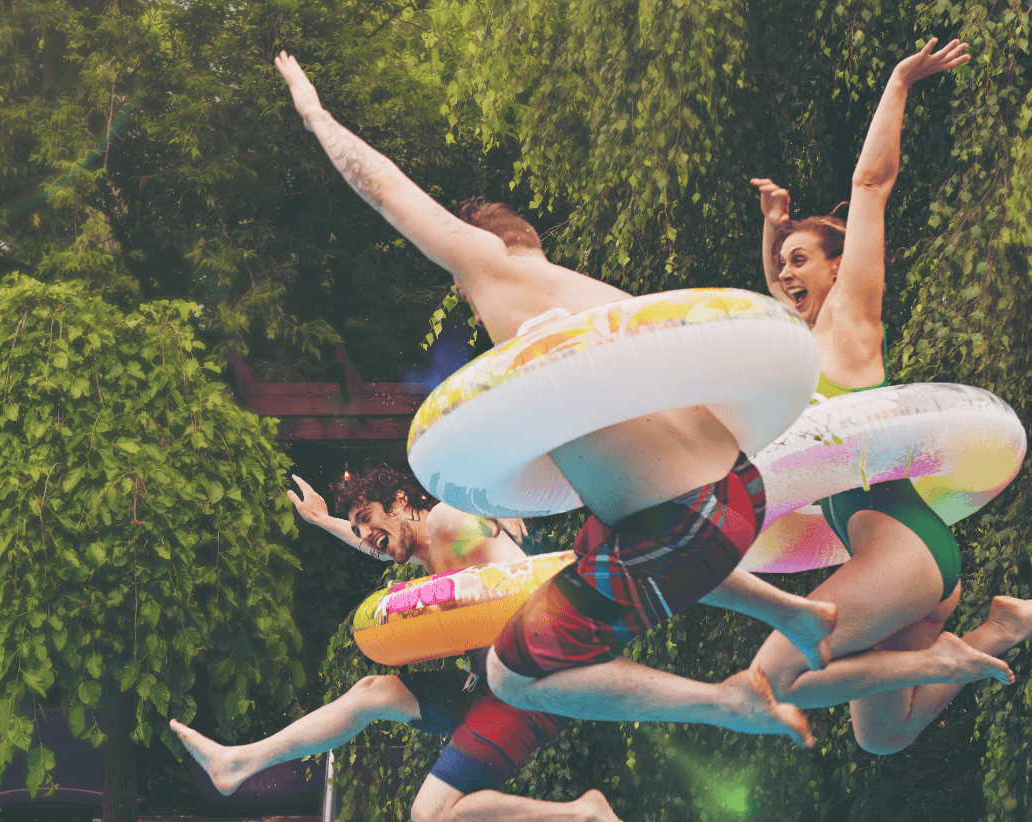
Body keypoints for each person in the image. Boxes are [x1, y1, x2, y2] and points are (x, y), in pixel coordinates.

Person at [274, 51, 820, 745]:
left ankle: (725, 700)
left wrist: (314, 114)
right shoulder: (596, 306)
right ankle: (796, 616)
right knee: (595, 540)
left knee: (512, 675)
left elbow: (390, 193)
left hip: (680, 525)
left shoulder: (496, 277)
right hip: (739, 494)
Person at [718, 38, 1032, 753]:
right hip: (907, 560)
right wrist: (773, 232)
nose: (785, 275)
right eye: (782, 266)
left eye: (802, 261)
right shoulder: (805, 349)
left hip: (903, 556)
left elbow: (870, 185)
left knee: (768, 682)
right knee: (885, 733)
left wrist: (898, 83)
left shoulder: (851, 320)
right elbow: (776, 289)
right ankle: (995, 628)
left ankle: (940, 656)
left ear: (838, 266)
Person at [173, 467, 650, 822]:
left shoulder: (448, 522)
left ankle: (582, 816)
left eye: (367, 518)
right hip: (490, 685)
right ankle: (237, 762)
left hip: (531, 688)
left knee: (433, 816)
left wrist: (492, 503)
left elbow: (469, 512)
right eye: (359, 529)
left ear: (400, 500)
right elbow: (376, 539)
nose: (366, 537)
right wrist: (322, 521)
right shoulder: (423, 555)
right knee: (372, 692)